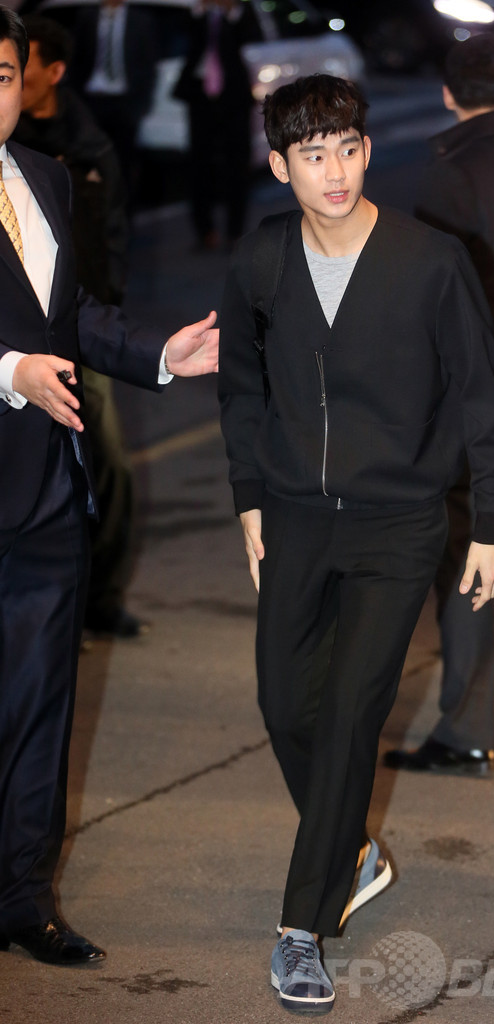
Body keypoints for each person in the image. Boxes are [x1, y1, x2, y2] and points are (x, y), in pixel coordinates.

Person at [218, 73, 494, 1014]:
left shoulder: (429, 261)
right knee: (284, 705)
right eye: (312, 155)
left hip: (398, 525)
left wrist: (492, 526)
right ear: (281, 166)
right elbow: (240, 387)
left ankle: (301, 929)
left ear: (366, 149)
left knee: (350, 713)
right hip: (296, 519)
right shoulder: (261, 259)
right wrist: (249, 499)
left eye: (347, 148)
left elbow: (482, 397)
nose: (335, 170)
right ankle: (349, 847)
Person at [0, 7, 218, 966]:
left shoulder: (46, 177)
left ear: (26, 81)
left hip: (49, 492)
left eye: (2, 75)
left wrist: (159, 354)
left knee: (41, 708)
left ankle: (22, 900)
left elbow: (72, 314)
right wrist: (9, 370)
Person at [384, 33, 494, 777]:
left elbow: (435, 314)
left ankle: (468, 731)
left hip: (481, 413)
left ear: (447, 94)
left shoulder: (449, 178)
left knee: (471, 560)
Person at [14, 13, 144, 639]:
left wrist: (126, 338)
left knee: (107, 462)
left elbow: (110, 240)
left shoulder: (81, 150)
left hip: (81, 337)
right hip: (20, 359)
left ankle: (101, 598)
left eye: (12, 73)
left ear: (49, 73)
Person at [173, 0, 260, 251]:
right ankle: (205, 231)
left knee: (237, 164)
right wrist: (200, 9)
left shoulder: (241, 13)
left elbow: (251, 36)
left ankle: (235, 231)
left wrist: (231, 10)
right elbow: (181, 35)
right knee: (200, 165)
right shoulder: (196, 13)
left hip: (233, 97)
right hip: (200, 95)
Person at [67, 0, 158, 204]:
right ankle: (94, 212)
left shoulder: (140, 20)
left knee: (123, 163)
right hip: (92, 100)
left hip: (124, 102)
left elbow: (148, 64)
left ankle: (123, 214)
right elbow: (77, 60)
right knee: (90, 162)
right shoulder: (87, 17)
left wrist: (140, 106)